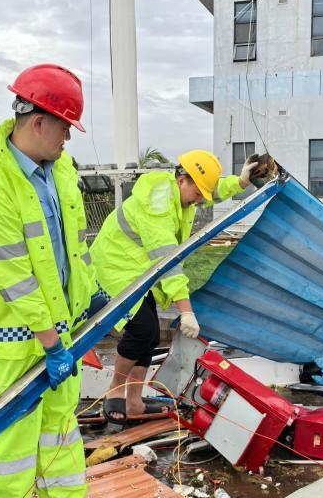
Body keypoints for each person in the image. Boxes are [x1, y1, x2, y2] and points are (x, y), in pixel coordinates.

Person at [0, 64, 106, 498]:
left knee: (59, 423)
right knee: (15, 435)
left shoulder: (59, 170)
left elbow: (70, 250)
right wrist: (50, 343)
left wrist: (89, 296)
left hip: (60, 329)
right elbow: (15, 278)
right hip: (21, 335)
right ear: (40, 121)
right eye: (65, 127)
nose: (68, 139)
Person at [91, 150, 258, 424]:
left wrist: (240, 183)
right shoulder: (157, 207)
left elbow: (211, 192)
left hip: (138, 269)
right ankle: (114, 394)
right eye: (198, 192)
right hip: (115, 268)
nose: (202, 200)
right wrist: (186, 310)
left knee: (151, 335)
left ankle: (133, 403)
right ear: (183, 180)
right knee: (141, 330)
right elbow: (167, 261)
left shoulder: (179, 194)